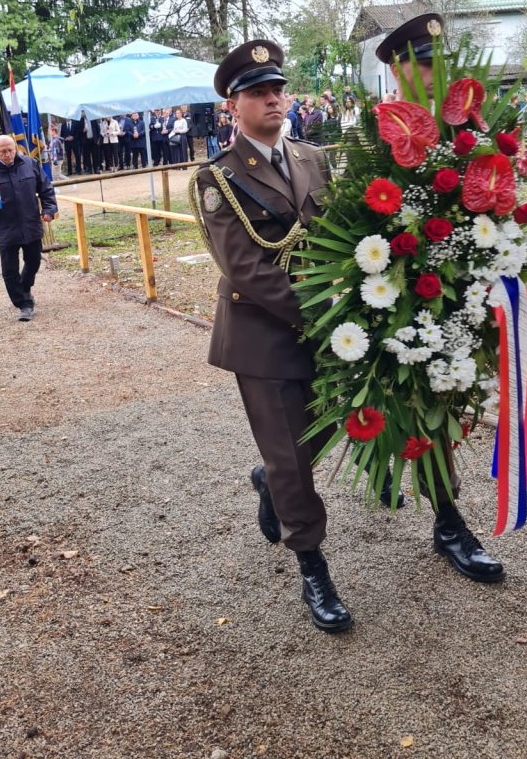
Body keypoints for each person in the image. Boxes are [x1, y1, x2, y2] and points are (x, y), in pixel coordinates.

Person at [191, 39, 352, 634]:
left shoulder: (314, 159)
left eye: (278, 89)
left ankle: (270, 481)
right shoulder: (220, 178)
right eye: (258, 92)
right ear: (233, 107)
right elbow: (246, 269)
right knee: (291, 457)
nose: (273, 99)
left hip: (328, 325)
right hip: (265, 334)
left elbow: (339, 235)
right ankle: (312, 564)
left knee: (330, 424)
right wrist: (322, 315)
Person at [375, 11, 505, 584]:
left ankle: (446, 521)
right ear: (399, 71)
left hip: (463, 293)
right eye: (422, 65)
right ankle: (279, 475)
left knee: (440, 403)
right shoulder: (371, 136)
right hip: (396, 294)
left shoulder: (466, 135)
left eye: (438, 63)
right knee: (386, 401)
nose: (434, 75)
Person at [0, 135, 58, 321]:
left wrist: (49, 209)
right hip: (6, 226)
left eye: (10, 150)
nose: (8, 154)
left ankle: (24, 287)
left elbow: (46, 189)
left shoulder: (29, 163)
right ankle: (24, 304)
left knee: (34, 261)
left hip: (31, 223)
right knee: (9, 270)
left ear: (15, 147)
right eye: (3, 152)